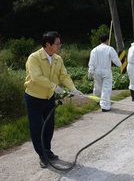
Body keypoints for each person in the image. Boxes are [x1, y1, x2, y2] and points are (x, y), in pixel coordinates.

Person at [24, 31, 84, 168]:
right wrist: (54, 86)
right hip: (34, 98)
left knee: (49, 126)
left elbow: (64, 75)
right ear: (47, 44)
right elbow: (36, 77)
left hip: (49, 98)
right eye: (57, 44)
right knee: (37, 127)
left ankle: (47, 150)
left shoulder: (57, 59)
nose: (59, 46)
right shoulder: (34, 58)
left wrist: (73, 88)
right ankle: (42, 155)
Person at [88, 34, 122, 112]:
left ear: (100, 40)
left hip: (97, 71)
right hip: (106, 70)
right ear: (107, 40)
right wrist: (120, 65)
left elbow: (91, 61)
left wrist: (90, 70)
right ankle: (105, 106)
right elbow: (115, 59)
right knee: (106, 88)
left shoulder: (94, 50)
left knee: (98, 86)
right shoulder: (109, 49)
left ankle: (97, 100)